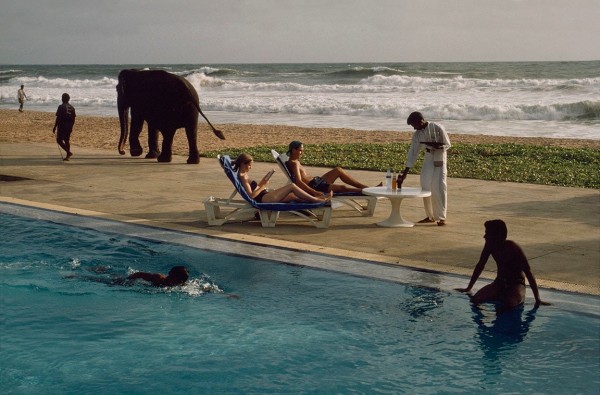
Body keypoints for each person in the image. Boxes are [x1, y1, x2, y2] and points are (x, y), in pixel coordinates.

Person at [455, 219, 551, 314]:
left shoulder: (513, 248)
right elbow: (480, 265)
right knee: (475, 300)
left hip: (516, 284)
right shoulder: (489, 245)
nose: (484, 236)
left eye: (487, 233)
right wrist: (469, 287)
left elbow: (528, 272)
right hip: (499, 282)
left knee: (509, 305)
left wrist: (537, 299)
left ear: (497, 236)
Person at [397, 112, 451, 226]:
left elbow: (448, 144)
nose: (414, 128)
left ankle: (441, 217)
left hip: (440, 155)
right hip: (428, 156)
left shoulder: (437, 127)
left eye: (414, 125)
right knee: (425, 184)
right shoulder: (417, 135)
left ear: (420, 121)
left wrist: (439, 146)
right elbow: (413, 153)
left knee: (439, 185)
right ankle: (430, 216)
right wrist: (405, 172)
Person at [234, 153, 332, 203]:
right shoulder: (243, 177)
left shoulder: (244, 175)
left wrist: (263, 182)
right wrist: (263, 186)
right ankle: (317, 200)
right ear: (243, 164)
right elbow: (251, 196)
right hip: (264, 199)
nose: (250, 167)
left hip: (265, 195)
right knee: (292, 186)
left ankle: (315, 199)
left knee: (294, 196)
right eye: (249, 165)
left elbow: (254, 189)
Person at [286, 140, 372, 197]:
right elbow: (298, 182)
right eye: (300, 150)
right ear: (293, 150)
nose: (302, 153)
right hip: (316, 186)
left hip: (317, 181)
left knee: (338, 170)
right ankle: (366, 191)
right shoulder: (294, 163)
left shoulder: (294, 161)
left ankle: (366, 188)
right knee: (342, 188)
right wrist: (314, 192)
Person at [53, 93, 76, 161]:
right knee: (66, 140)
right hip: (69, 126)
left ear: (62, 99)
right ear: (68, 99)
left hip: (62, 125)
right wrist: (71, 127)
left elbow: (58, 118)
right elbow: (73, 119)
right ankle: (67, 157)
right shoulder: (72, 107)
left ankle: (68, 152)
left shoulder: (61, 107)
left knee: (59, 140)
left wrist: (55, 126)